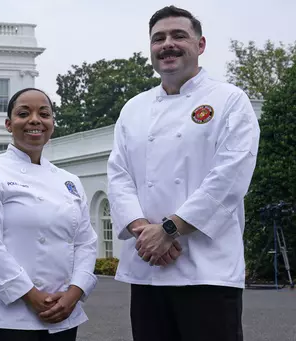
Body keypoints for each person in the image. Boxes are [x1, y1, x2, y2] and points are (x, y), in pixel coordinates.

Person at [107, 5, 260, 341]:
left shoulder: (230, 100)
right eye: (158, 38)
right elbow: (118, 176)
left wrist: (170, 229)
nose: (168, 44)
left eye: (179, 35)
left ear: (200, 45)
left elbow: (231, 176)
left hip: (208, 270)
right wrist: (141, 229)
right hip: (148, 268)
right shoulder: (133, 108)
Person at [0, 88, 98, 341]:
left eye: (44, 114)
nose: (35, 120)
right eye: (24, 113)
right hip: (4, 316)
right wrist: (30, 294)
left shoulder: (70, 181)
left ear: (52, 124)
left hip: (62, 312)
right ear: (9, 125)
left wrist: (75, 292)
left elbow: (86, 242)